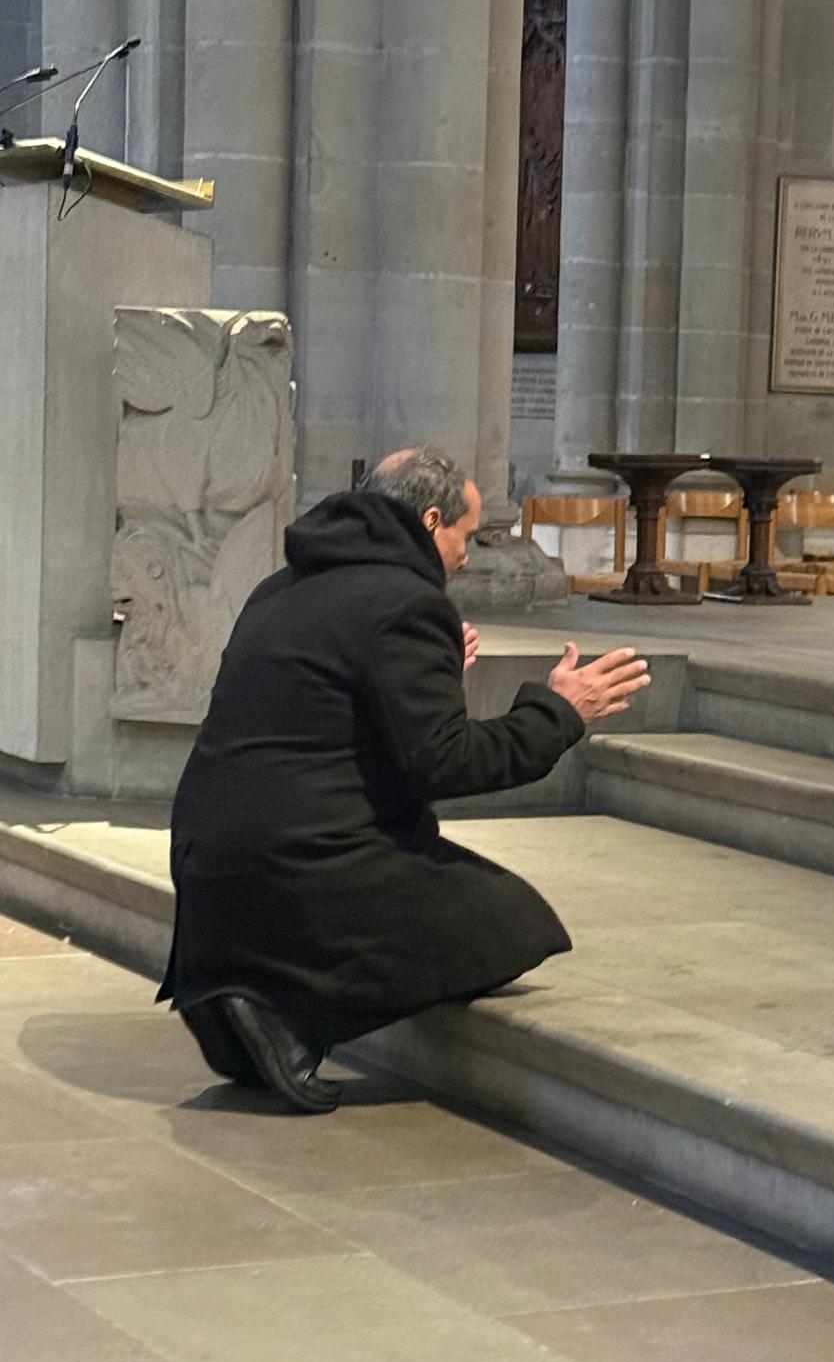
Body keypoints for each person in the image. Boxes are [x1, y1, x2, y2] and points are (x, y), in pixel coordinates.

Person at [159, 447, 651, 1113]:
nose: (466, 556)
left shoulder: (281, 586)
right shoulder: (405, 601)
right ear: (430, 522)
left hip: (207, 855)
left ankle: (242, 993)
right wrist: (560, 711)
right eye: (465, 535)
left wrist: (434, 671)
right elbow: (445, 762)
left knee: (448, 887)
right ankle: (291, 1014)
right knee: (513, 923)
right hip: (299, 860)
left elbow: (327, 720)